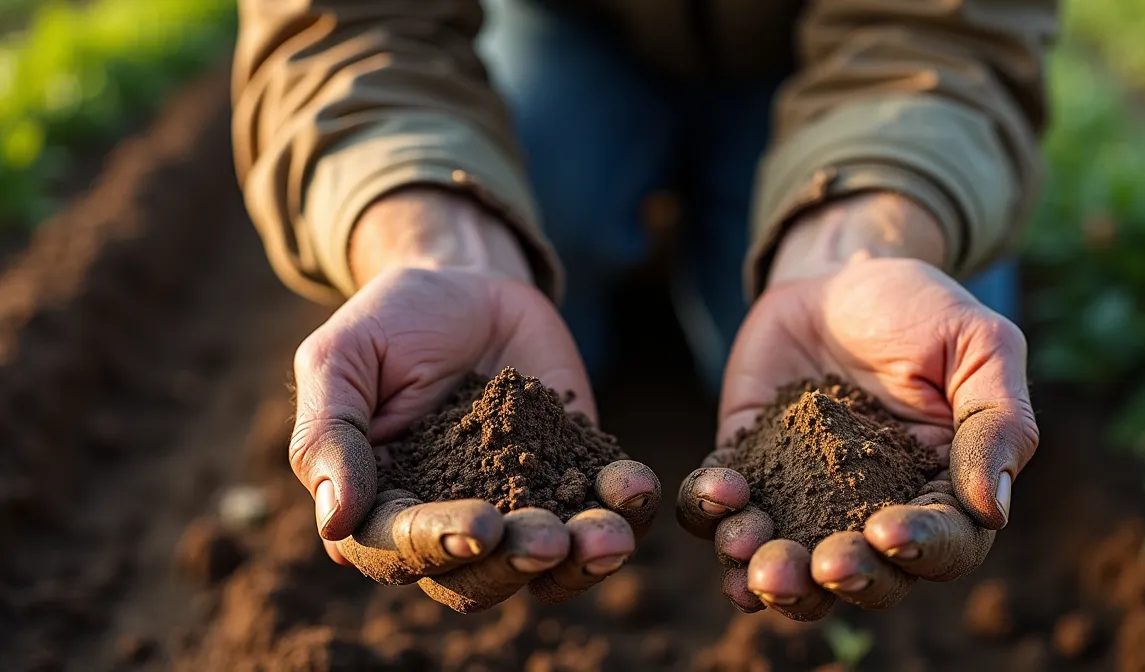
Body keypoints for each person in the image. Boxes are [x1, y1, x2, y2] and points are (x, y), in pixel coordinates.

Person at [233, 0, 1051, 618]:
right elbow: (341, 27)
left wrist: (858, 244)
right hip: (579, 28)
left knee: (889, 348)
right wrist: (435, 242)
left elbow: (952, 28)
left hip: (848, 56)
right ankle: (630, 243)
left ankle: (723, 232)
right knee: (553, 213)